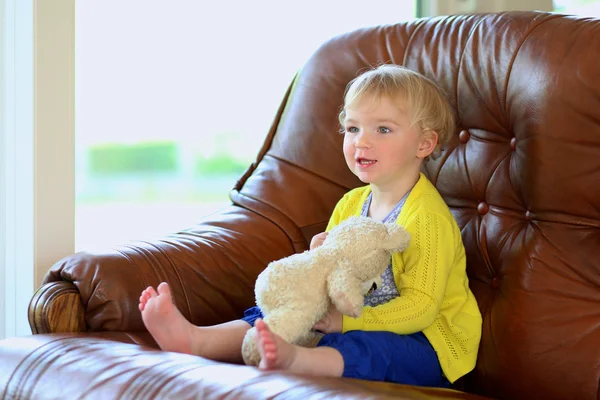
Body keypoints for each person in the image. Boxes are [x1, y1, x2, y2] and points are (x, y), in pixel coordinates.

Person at [139, 64, 483, 387]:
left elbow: (420, 309)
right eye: (353, 128)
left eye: (382, 129)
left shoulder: (427, 217)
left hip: (428, 343)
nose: (361, 141)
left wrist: (344, 323)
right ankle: (198, 340)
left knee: (371, 349)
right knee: (283, 310)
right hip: (356, 318)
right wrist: (316, 263)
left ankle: (300, 361)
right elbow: (327, 275)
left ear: (424, 143)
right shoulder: (351, 204)